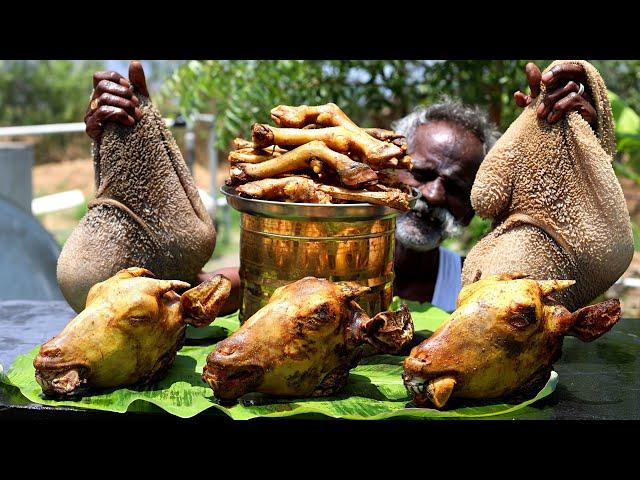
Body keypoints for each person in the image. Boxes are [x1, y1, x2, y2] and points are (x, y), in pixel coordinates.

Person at [84, 61, 597, 314]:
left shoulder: (473, 287)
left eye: (457, 186)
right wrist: (131, 148)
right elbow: (191, 295)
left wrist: (575, 146)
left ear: (472, 211)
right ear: (382, 168)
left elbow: (558, 298)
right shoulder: (305, 261)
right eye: (421, 173)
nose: (435, 195)